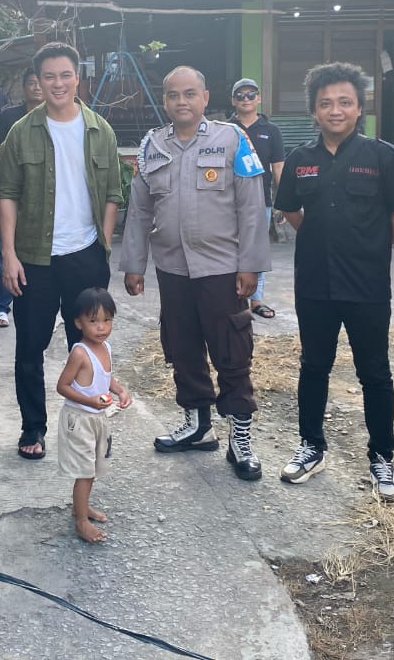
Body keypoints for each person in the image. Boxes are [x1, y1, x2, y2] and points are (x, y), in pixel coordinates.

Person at [274, 62, 394, 500]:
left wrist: (370, 244)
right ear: (314, 111)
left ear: (359, 108)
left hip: (366, 285)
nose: (335, 110)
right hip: (314, 284)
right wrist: (320, 239)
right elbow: (291, 210)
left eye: (344, 102)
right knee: (313, 366)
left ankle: (382, 457)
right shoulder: (300, 160)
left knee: (374, 371)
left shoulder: (382, 157)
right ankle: (311, 446)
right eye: (326, 103)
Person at [122, 66, 269, 479]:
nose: (181, 101)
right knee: (182, 347)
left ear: (205, 97)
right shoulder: (152, 145)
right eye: (173, 95)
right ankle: (197, 425)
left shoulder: (232, 138)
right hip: (172, 268)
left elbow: (251, 206)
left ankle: (240, 438)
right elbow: (140, 209)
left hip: (222, 268)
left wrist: (251, 265)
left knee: (231, 352)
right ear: (164, 100)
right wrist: (134, 264)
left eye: (190, 94)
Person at [0, 41, 124, 461]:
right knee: (29, 348)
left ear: (77, 77)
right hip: (34, 258)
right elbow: (8, 195)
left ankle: (93, 425)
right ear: (38, 80)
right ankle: (33, 426)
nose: (57, 83)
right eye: (49, 76)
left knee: (89, 348)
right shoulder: (22, 132)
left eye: (65, 75)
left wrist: (103, 247)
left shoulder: (99, 130)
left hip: (85, 256)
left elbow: (113, 193)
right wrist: (9, 255)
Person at [55, 287, 132, 543]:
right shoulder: (79, 352)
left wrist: (120, 390)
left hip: (97, 418)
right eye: (93, 321)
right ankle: (81, 522)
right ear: (78, 323)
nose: (101, 327)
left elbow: (105, 377)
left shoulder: (105, 347)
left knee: (93, 468)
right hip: (79, 419)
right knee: (85, 472)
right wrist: (89, 400)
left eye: (107, 320)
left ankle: (82, 506)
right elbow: (62, 386)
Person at [0, 70, 44, 328]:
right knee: (6, 249)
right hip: (13, 192)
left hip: (44, 195)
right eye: (31, 83)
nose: (36, 88)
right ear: (23, 88)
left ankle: (38, 302)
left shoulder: (56, 116)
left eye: (39, 83)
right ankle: (1, 306)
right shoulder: (10, 116)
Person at [228, 77, 285, 319]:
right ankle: (232, 296)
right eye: (240, 95)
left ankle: (256, 300)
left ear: (259, 98)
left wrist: (283, 203)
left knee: (256, 249)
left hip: (261, 200)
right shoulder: (226, 129)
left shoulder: (271, 131)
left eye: (251, 94)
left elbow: (278, 168)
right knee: (230, 248)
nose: (246, 99)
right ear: (233, 101)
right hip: (228, 202)